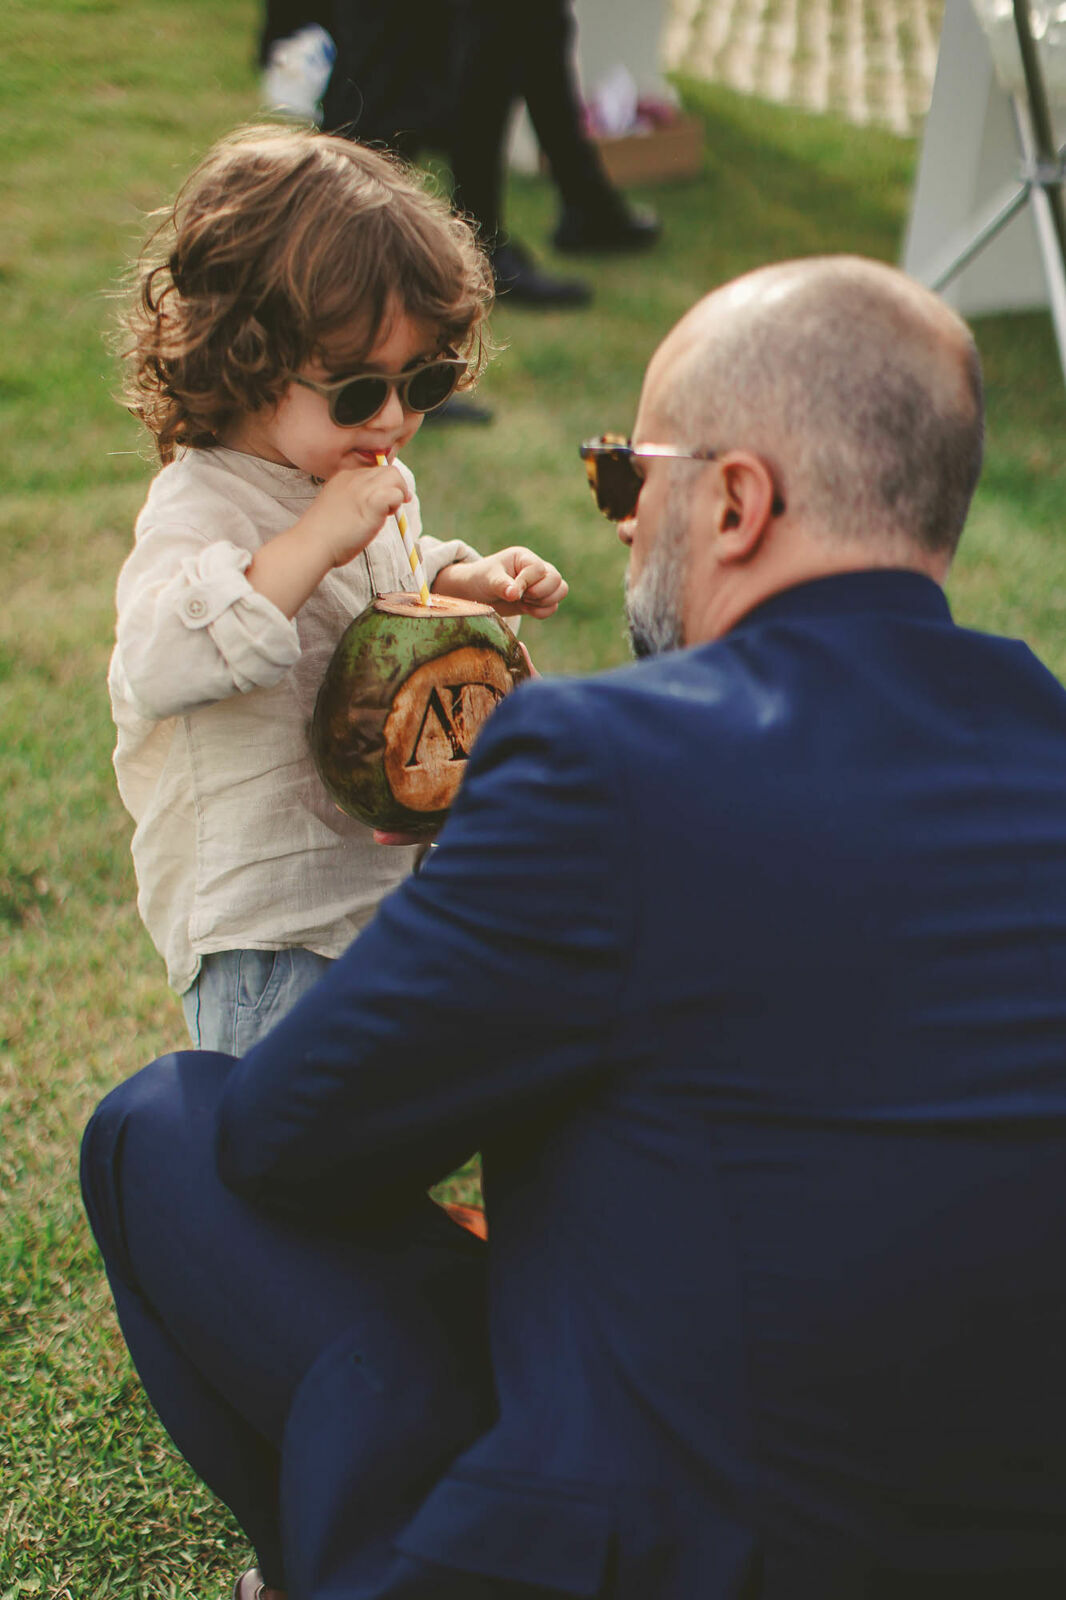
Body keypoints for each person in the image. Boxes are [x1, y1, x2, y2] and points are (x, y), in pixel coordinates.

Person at [82, 255, 1066, 1598]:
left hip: (689, 1545)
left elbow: (287, 1141)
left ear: (732, 501)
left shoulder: (601, 764)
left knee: (168, 1126)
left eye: (622, 473)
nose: (613, 519)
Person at [108, 123, 567, 1056]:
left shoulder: (356, 474)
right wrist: (314, 539)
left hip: (378, 900)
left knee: (368, 1144)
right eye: (359, 392)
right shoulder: (202, 506)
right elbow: (160, 659)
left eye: (426, 381)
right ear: (246, 358)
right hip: (268, 930)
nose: (395, 419)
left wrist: (460, 580)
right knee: (276, 1171)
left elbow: (378, 591)